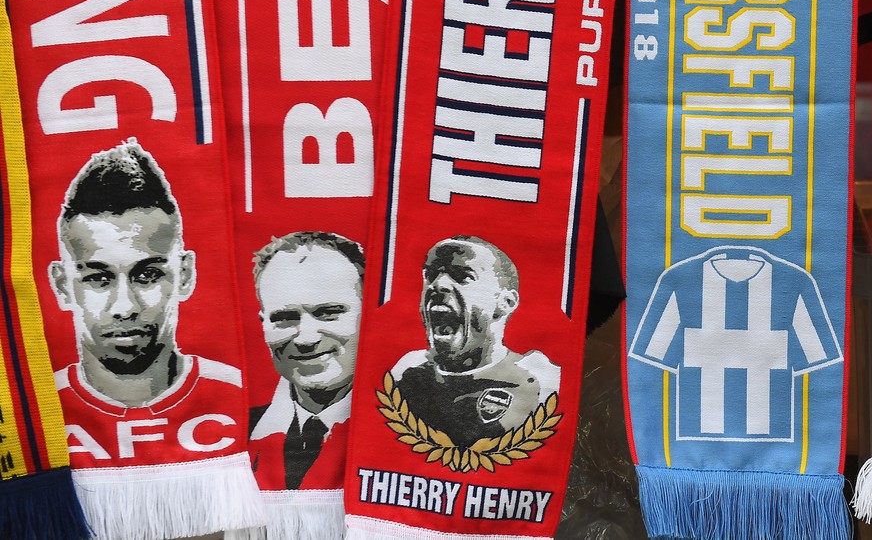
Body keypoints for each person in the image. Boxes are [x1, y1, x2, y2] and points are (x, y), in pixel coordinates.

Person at [48, 140, 243, 463]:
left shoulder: (241, 396)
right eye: (98, 278)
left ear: (185, 274)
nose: (125, 306)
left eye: (147, 275)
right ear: (62, 285)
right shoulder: (32, 412)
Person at [391, 236, 559, 445]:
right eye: (431, 275)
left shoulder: (540, 382)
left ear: (505, 303)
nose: (438, 284)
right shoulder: (405, 375)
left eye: (462, 276)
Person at [248, 231, 364, 490]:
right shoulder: (236, 434)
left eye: (328, 313)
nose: (305, 339)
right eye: (284, 317)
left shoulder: (414, 427)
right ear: (263, 325)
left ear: (367, 315)